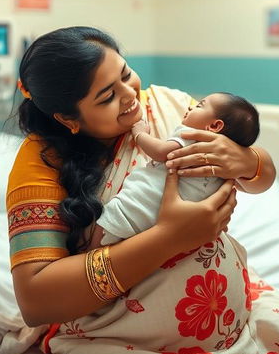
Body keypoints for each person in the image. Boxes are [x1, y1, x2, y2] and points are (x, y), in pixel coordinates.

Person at [7, 26, 279, 354]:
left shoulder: (170, 107)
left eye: (126, 74)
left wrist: (248, 161)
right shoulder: (40, 161)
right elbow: (36, 300)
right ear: (67, 118)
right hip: (125, 343)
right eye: (107, 96)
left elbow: (261, 179)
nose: (130, 95)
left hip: (238, 319)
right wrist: (171, 237)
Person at [95, 93, 261, 245]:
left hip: (137, 209)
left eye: (200, 105)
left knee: (97, 238)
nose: (190, 106)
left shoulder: (192, 136)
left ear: (214, 126)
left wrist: (140, 134)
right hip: (172, 224)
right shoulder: (223, 168)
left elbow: (161, 152)